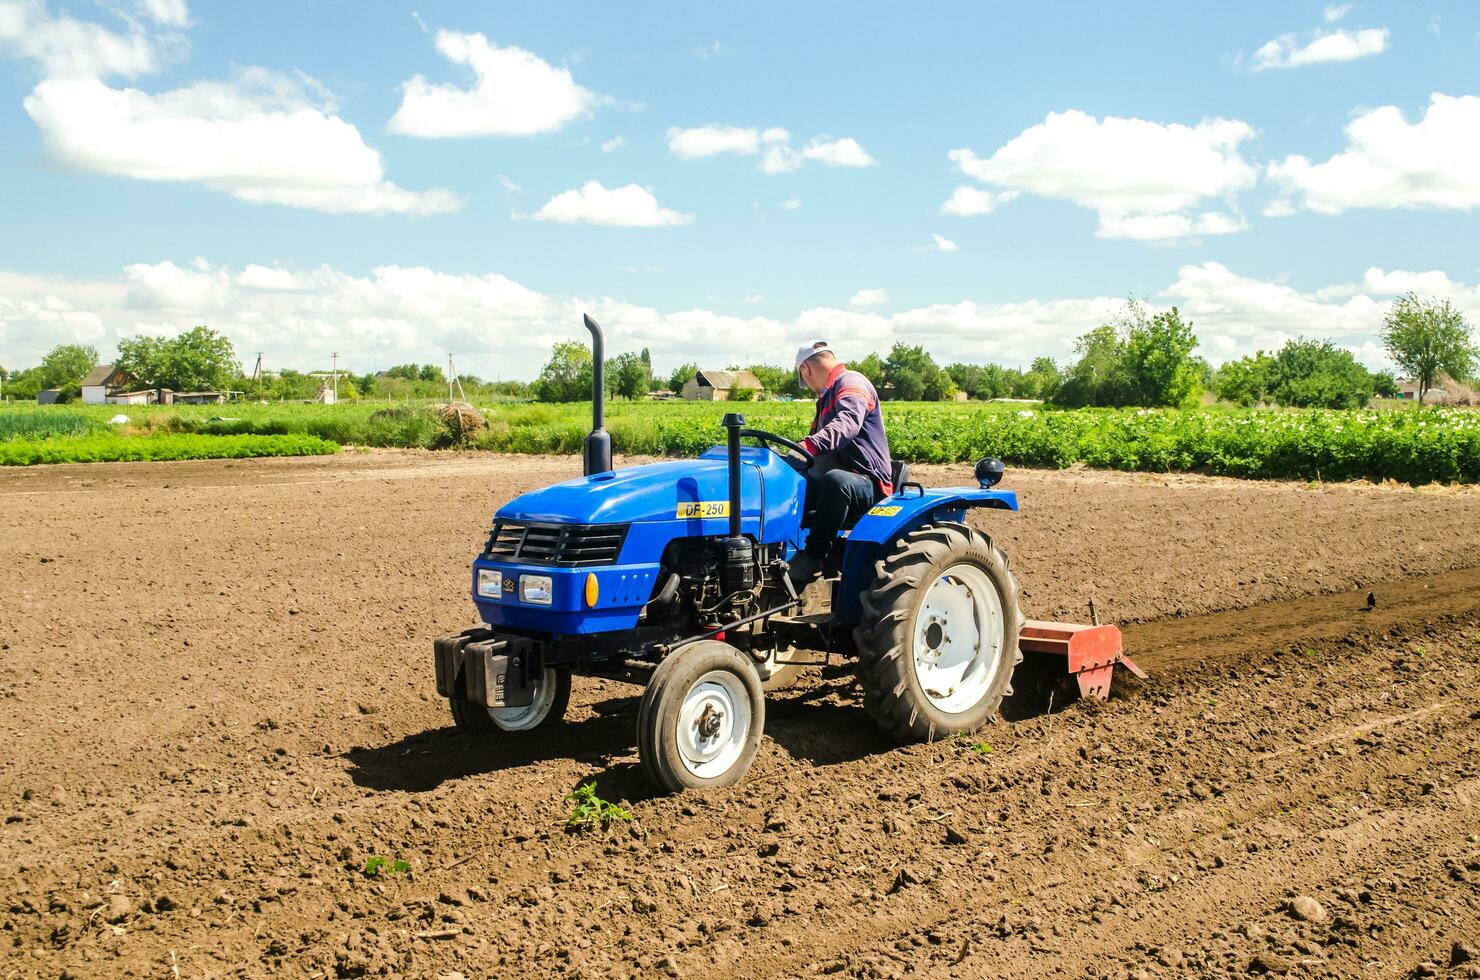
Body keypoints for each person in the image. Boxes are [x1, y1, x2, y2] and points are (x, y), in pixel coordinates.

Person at [787, 341, 893, 588]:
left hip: (868, 482)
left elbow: (847, 423)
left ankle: (814, 556)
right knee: (789, 476)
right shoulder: (826, 397)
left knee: (836, 481)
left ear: (806, 369)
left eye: (805, 379)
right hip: (839, 476)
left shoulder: (852, 383)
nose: (810, 387)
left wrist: (809, 446)